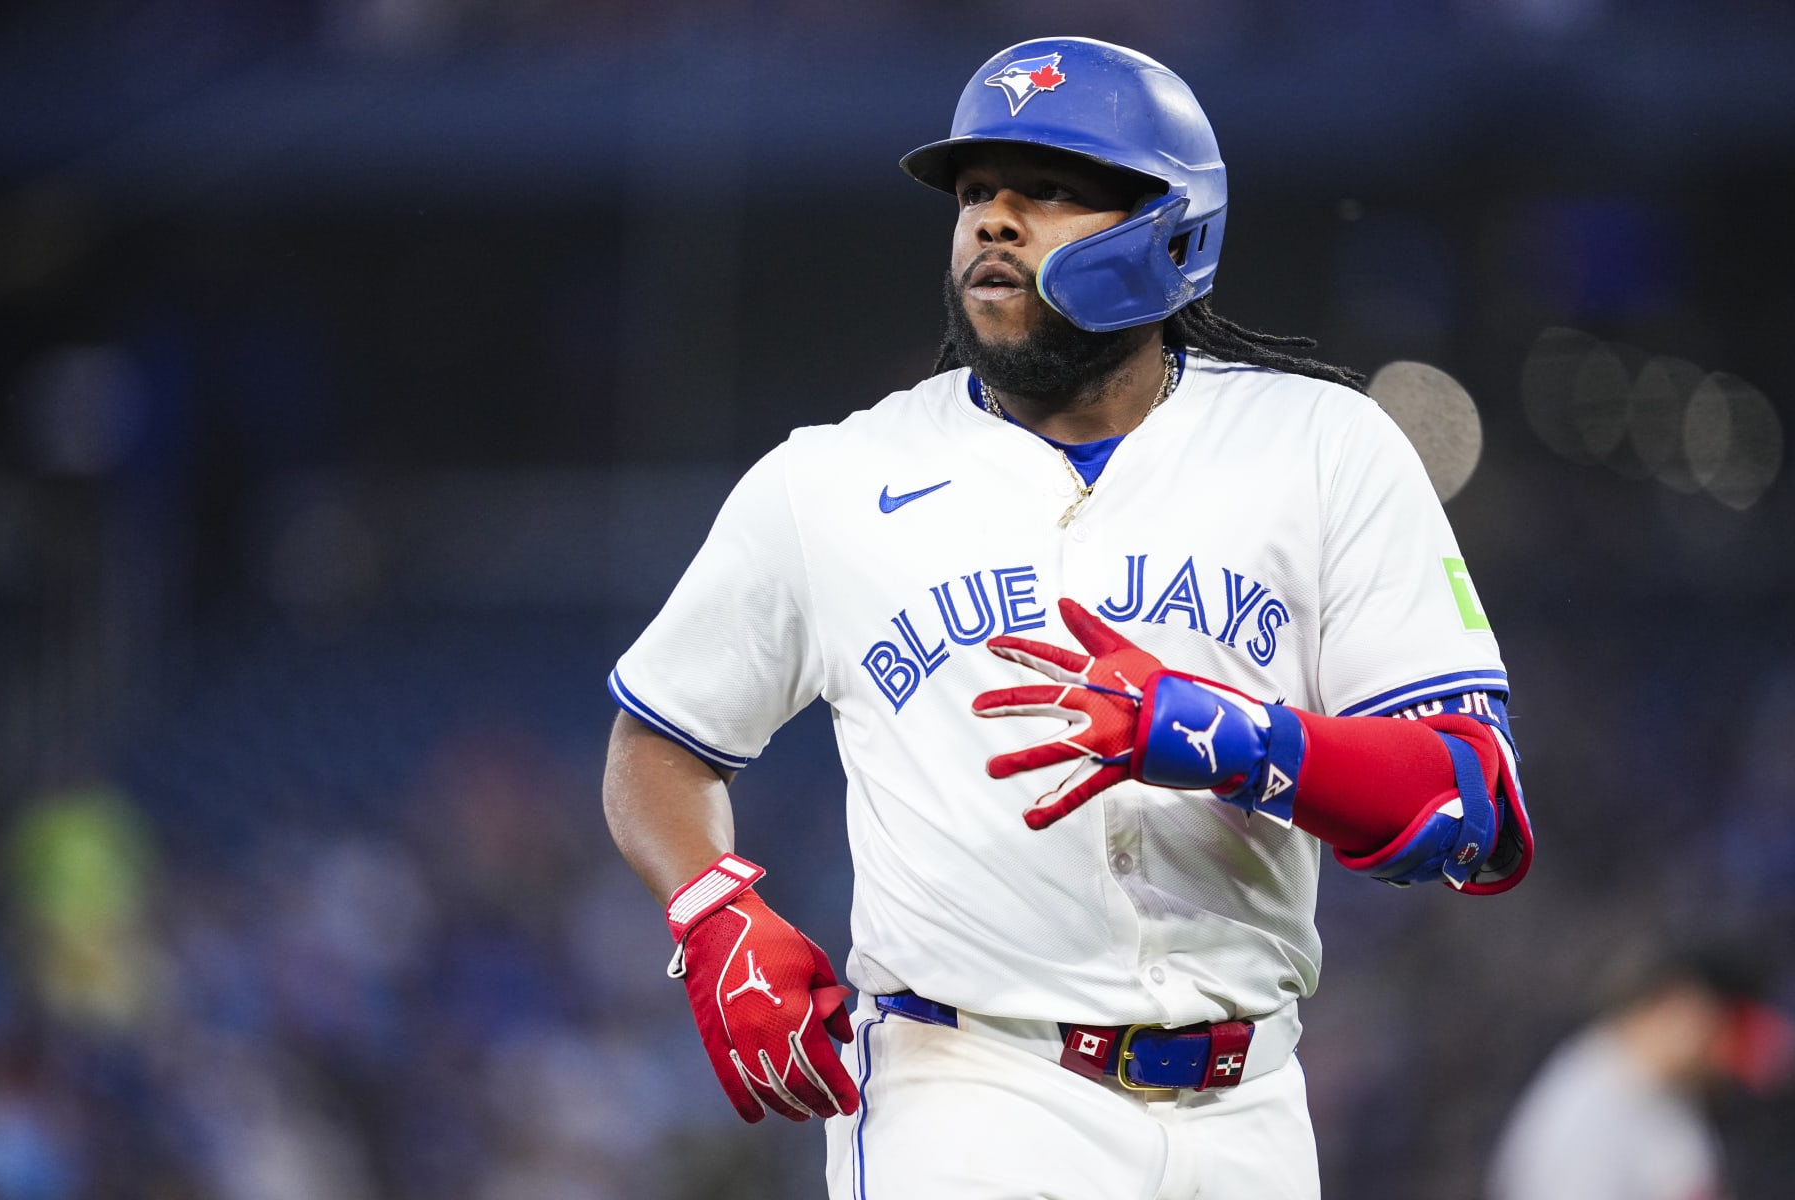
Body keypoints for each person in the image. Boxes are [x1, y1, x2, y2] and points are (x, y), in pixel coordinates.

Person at [602, 36, 1534, 1199]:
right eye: (975, 192)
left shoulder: (1323, 447)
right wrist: (710, 913)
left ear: (1173, 226)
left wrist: (1239, 741)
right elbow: (659, 743)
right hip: (963, 1090)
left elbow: (1472, 805)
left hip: (1249, 1108)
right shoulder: (831, 480)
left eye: (1047, 187)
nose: (994, 219)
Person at [1485, 943, 1793, 1200]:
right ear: (1677, 1002)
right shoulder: (1590, 1105)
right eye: (1720, 1025)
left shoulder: (1663, 1097)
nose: (1720, 1057)